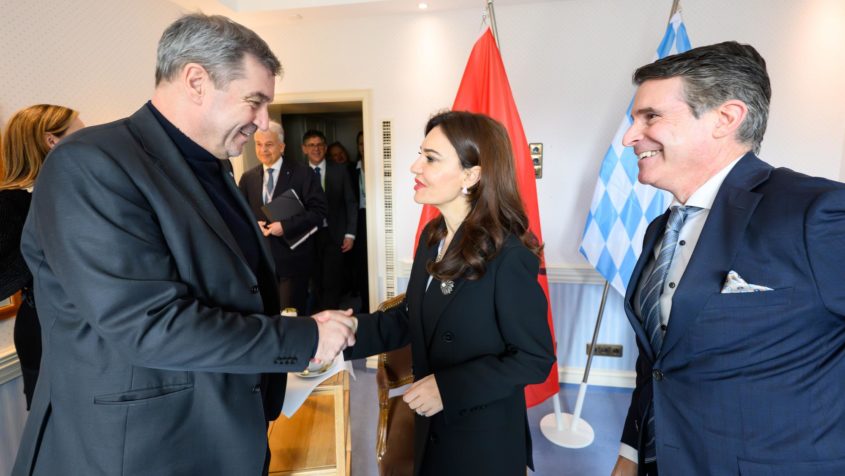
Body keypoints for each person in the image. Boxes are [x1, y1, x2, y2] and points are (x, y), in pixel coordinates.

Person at [13, 14, 355, 476]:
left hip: (218, 434)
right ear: (196, 80)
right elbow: (147, 325)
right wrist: (305, 337)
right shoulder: (89, 165)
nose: (264, 122)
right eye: (254, 101)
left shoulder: (215, 169)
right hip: (134, 451)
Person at [611, 42, 845, 476]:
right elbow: (658, 365)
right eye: (633, 120)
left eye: (650, 117)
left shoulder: (817, 212)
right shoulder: (659, 230)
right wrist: (629, 455)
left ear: (725, 118)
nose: (629, 136)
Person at [340, 111, 556, 475]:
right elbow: (410, 318)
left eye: (430, 158)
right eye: (420, 154)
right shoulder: (433, 237)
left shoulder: (509, 258)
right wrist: (342, 336)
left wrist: (449, 388)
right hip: (434, 429)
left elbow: (534, 358)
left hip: (480, 438)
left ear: (471, 175)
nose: (414, 167)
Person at [0, 104, 84, 410]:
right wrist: (39, 251)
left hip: (73, 330)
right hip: (45, 333)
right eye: (80, 132)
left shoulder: (69, 194)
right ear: (52, 141)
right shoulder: (11, 205)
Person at [239, 121, 327, 313]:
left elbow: (319, 212)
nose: (263, 150)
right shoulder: (248, 178)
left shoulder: (303, 174)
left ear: (282, 146)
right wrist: (255, 225)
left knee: (291, 318)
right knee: (267, 317)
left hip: (293, 261)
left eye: (269, 144)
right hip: (261, 264)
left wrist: (285, 226)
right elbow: (240, 216)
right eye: (258, 144)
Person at [303, 130, 357, 311]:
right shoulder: (298, 172)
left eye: (319, 145)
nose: (315, 149)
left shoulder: (339, 170)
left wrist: (350, 234)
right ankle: (318, 320)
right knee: (314, 279)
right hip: (308, 235)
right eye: (311, 145)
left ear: (325, 148)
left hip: (335, 234)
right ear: (304, 149)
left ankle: (330, 315)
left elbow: (350, 202)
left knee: (332, 280)